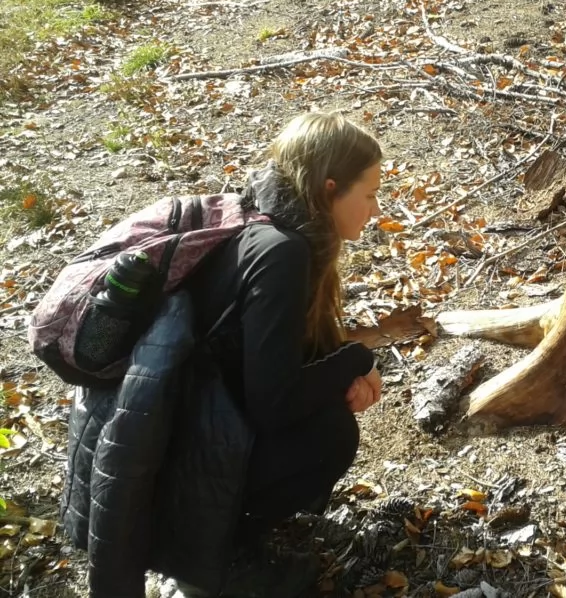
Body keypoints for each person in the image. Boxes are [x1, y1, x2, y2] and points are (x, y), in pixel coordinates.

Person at [61, 110, 386, 597]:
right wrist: (356, 360)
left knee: (321, 412)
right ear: (329, 188)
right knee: (329, 434)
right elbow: (274, 403)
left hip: (161, 438)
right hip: (165, 459)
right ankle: (219, 563)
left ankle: (209, 542)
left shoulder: (255, 218)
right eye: (370, 193)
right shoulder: (282, 252)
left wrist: (342, 365)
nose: (375, 208)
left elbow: (269, 353)